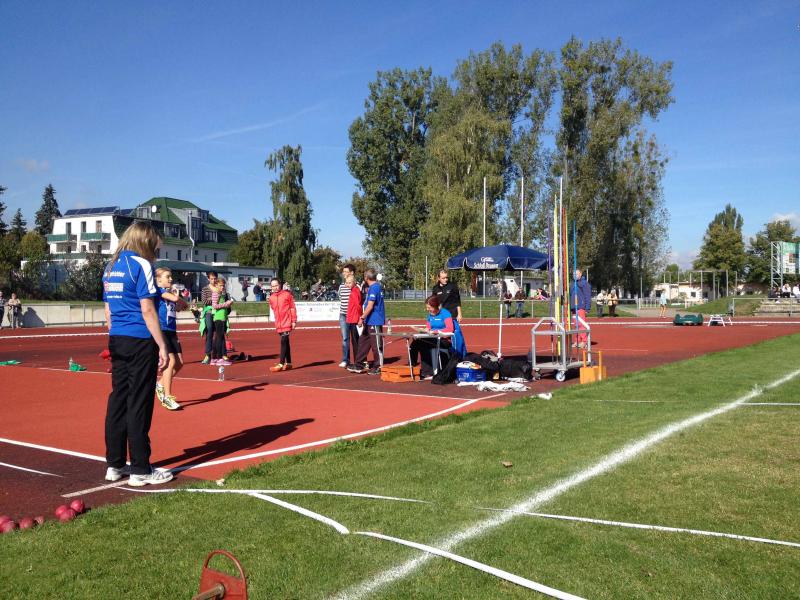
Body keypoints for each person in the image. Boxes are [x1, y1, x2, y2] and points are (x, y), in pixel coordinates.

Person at [102, 221, 173, 486]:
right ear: (146, 242)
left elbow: (108, 310)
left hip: (117, 337)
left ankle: (115, 463)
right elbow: (147, 309)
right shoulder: (142, 265)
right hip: (140, 339)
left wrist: (115, 334)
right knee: (139, 402)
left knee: (118, 399)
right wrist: (162, 344)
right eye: (155, 245)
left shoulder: (111, 267)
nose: (156, 250)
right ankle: (141, 468)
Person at [409, 295, 467, 379]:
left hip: (444, 340)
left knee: (423, 344)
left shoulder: (445, 313)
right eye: (427, 307)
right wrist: (421, 330)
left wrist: (435, 332)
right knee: (415, 343)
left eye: (429, 307)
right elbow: (428, 328)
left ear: (436, 306)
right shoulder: (430, 315)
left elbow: (450, 329)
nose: (427, 309)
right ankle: (412, 366)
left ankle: (428, 372)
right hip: (432, 338)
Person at [154, 268, 184, 411]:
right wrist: (178, 298)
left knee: (180, 363)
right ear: (159, 280)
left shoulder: (169, 294)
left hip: (172, 331)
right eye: (168, 277)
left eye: (171, 277)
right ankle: (167, 397)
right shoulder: (159, 291)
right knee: (170, 361)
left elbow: (179, 307)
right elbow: (177, 299)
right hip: (162, 330)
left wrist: (181, 304)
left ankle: (160, 384)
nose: (171, 279)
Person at [350, 268, 384, 375]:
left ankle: (378, 366)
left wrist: (362, 318)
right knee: (363, 342)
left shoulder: (374, 288)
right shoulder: (374, 287)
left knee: (376, 345)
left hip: (375, 320)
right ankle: (359, 364)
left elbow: (370, 306)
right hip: (369, 320)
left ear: (366, 278)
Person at [268, 277, 297, 372]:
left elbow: (292, 308)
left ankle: (281, 363)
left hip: (287, 322)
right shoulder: (271, 298)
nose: (275, 288)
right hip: (279, 324)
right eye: (273, 286)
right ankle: (289, 363)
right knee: (286, 342)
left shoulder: (287, 295)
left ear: (280, 285)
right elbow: (273, 309)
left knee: (283, 341)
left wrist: (293, 321)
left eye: (276, 285)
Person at [210, 277, 233, 365]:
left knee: (218, 338)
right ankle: (220, 358)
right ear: (216, 285)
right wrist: (226, 304)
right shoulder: (216, 293)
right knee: (220, 339)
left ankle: (214, 358)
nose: (222, 287)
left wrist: (228, 304)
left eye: (223, 285)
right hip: (218, 318)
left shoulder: (221, 294)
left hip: (222, 317)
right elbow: (215, 306)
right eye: (220, 285)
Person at [338, 263, 356, 367]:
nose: (344, 273)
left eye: (346, 271)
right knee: (345, 338)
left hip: (353, 315)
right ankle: (346, 359)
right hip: (343, 315)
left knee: (355, 339)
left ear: (351, 273)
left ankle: (359, 360)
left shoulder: (355, 286)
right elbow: (340, 297)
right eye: (343, 271)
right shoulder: (341, 286)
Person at [199, 271, 219, 364]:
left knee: (219, 334)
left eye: (215, 278)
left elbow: (224, 298)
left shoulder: (220, 288)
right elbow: (204, 301)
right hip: (209, 312)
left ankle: (218, 354)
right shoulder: (205, 289)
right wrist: (214, 298)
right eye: (211, 279)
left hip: (219, 312)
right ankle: (208, 354)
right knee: (209, 331)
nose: (213, 280)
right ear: (208, 279)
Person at [344, 274, 362, 369]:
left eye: (350, 282)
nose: (348, 284)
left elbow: (358, 306)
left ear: (354, 282)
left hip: (354, 319)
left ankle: (358, 362)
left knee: (355, 342)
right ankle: (358, 361)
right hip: (352, 318)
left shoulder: (354, 291)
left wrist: (360, 317)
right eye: (346, 283)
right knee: (355, 341)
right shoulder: (354, 290)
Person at [571, 269, 592, 349]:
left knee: (581, 325)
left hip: (581, 307)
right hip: (574, 307)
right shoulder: (573, 284)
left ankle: (584, 341)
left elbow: (587, 296)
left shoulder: (584, 283)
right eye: (573, 274)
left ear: (580, 274)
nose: (575, 275)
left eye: (576, 274)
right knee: (576, 325)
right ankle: (577, 340)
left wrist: (587, 308)